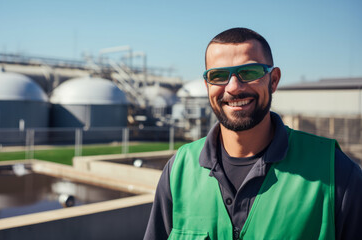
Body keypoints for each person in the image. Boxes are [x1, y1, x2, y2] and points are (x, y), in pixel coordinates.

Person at [143, 27, 362, 240]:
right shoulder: (179, 169)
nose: (233, 87)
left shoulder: (336, 172)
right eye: (218, 75)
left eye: (249, 72)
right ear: (207, 85)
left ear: (273, 80)